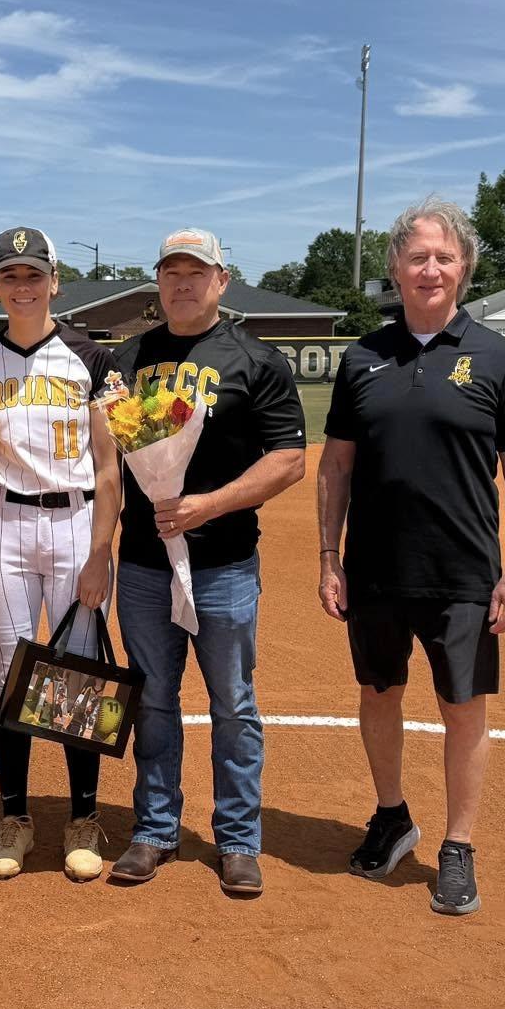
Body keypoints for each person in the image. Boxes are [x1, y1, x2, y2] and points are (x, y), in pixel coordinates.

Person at [317, 196, 505, 916]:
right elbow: (336, 467)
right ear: (394, 267)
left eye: (444, 257)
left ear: (464, 268)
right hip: (377, 569)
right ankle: (392, 817)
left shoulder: (498, 357)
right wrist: (330, 555)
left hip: (465, 573)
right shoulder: (362, 358)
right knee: (378, 694)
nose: (430, 268)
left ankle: (457, 847)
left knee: (462, 707)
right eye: (417, 256)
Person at [110, 228, 306, 897]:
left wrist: (208, 505)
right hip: (141, 562)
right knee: (155, 702)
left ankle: (238, 839)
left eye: (197, 272)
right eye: (171, 272)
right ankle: (155, 829)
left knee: (234, 705)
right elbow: (109, 462)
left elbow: (288, 460)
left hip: (223, 563)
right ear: (157, 282)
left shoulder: (257, 359)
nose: (182, 284)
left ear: (222, 280)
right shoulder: (127, 358)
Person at [0, 226, 123, 882]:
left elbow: (111, 471)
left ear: (55, 282)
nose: (21, 286)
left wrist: (102, 550)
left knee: (78, 675)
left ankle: (83, 817)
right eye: (9, 275)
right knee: (9, 676)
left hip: (77, 522)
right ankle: (15, 817)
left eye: (33, 274)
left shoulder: (93, 358)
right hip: (3, 523)